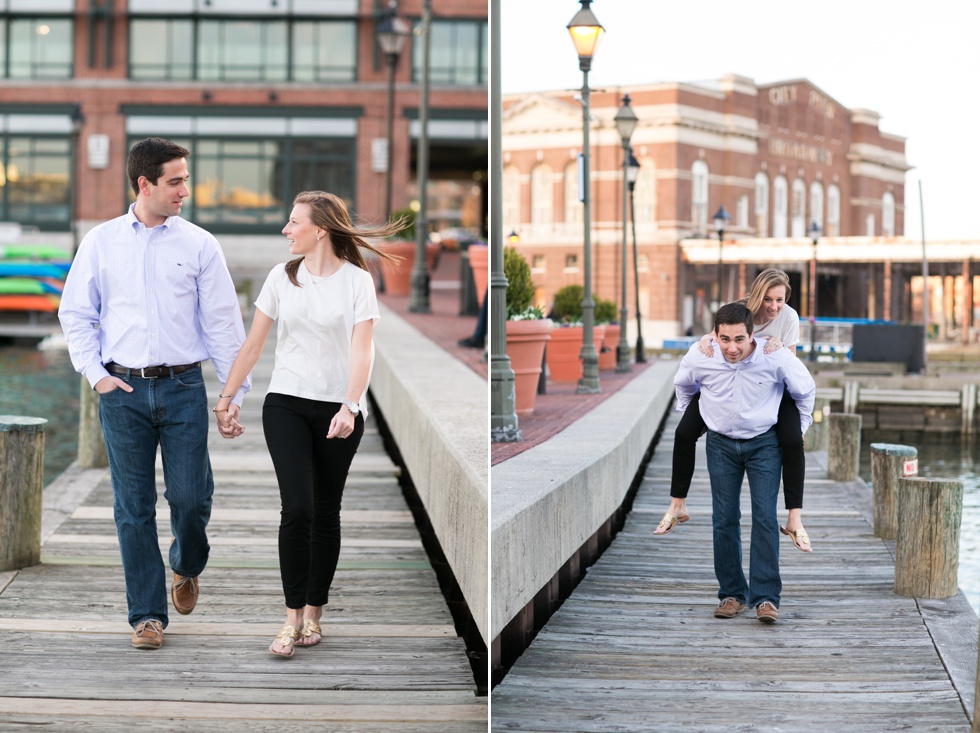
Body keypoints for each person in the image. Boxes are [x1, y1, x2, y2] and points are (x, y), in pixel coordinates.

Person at [58, 137, 249, 650]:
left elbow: (225, 326)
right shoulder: (100, 242)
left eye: (185, 179)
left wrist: (232, 397)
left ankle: (186, 564)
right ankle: (147, 615)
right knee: (132, 506)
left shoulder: (201, 245)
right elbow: (76, 314)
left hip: (185, 386)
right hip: (121, 389)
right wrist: (96, 374)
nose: (185, 189)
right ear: (145, 184)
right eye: (176, 181)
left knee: (190, 497)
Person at [212, 191, 404, 658]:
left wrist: (349, 406)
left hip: (339, 411)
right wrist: (226, 398)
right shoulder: (282, 277)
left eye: (292, 222)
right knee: (296, 507)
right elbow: (254, 345)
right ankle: (291, 618)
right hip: (287, 404)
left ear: (319, 229)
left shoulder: (358, 282)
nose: (285, 230)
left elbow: (363, 350)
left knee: (325, 512)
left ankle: (316, 611)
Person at [674, 302, 815, 623]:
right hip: (721, 444)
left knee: (765, 517)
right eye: (725, 339)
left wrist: (799, 429)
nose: (732, 347)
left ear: (753, 335)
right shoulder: (702, 355)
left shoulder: (774, 355)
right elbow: (683, 386)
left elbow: (805, 391)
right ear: (716, 335)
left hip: (764, 443)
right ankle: (732, 594)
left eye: (739, 339)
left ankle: (766, 598)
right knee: (724, 518)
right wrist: (691, 418)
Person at [656, 269, 813, 553]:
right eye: (768, 299)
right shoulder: (741, 311)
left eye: (780, 299)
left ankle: (795, 518)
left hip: (772, 385)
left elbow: (790, 364)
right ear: (756, 296)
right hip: (726, 383)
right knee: (683, 433)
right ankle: (677, 503)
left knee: (792, 440)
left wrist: (776, 348)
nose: (774, 306)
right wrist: (706, 342)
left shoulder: (788, 316)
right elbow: (721, 333)